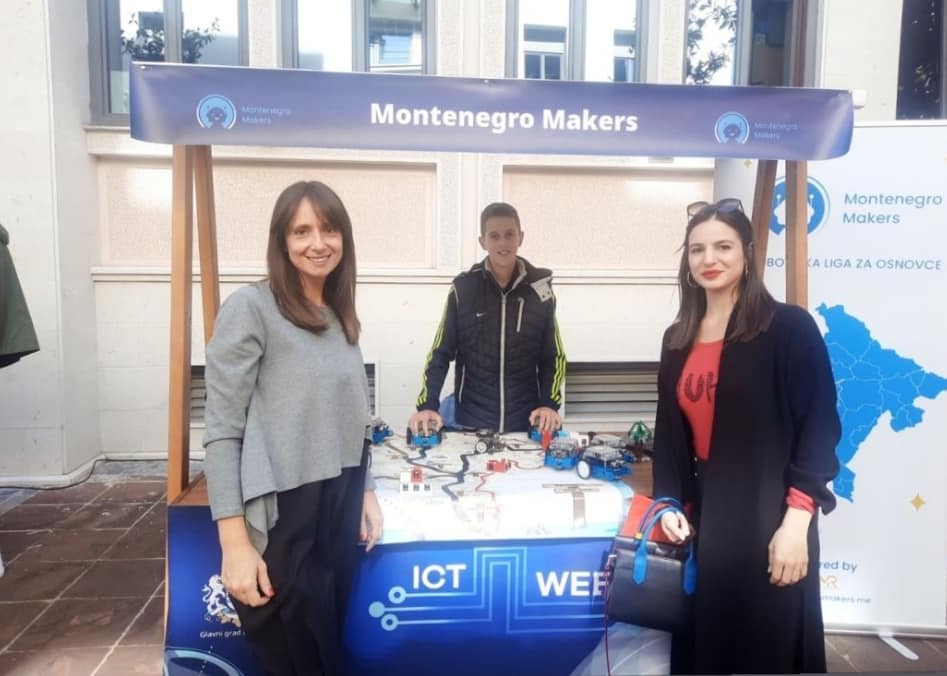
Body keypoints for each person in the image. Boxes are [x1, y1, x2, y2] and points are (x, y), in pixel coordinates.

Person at [652, 198, 840, 675]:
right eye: (697, 249)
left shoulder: (789, 328)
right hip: (705, 525)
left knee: (769, 651)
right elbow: (669, 436)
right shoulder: (677, 338)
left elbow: (819, 426)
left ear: (747, 253)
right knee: (707, 651)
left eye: (723, 246)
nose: (709, 259)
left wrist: (796, 524)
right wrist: (669, 504)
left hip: (771, 517)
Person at [203, 181, 384, 676]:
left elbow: (351, 414)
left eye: (329, 230)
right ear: (282, 242)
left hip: (338, 502)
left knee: (325, 654)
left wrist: (365, 488)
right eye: (302, 231)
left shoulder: (339, 313)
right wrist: (234, 544)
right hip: (284, 512)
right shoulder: (251, 308)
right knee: (295, 658)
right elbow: (222, 430)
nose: (317, 243)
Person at [409, 202, 566, 436]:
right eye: (494, 236)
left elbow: (553, 357)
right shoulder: (463, 289)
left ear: (520, 237)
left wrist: (549, 404)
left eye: (509, 234)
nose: (502, 243)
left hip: (525, 424)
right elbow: (440, 352)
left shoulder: (540, 290)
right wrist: (427, 405)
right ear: (483, 241)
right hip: (471, 424)